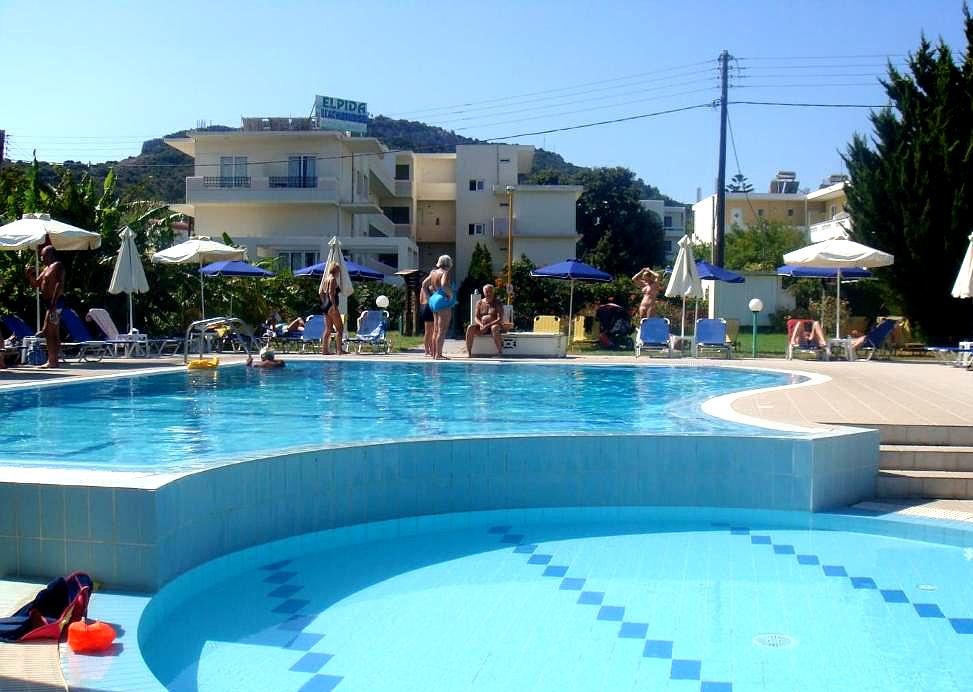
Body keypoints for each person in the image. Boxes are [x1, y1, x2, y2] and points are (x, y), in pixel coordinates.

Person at [25, 245, 65, 369]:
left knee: (49, 331)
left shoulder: (57, 266)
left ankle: (52, 361)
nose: (42, 258)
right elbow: (36, 284)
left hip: (56, 302)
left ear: (50, 255)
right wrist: (29, 275)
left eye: (43, 256)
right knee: (52, 332)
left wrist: (53, 303)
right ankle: (54, 360)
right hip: (49, 303)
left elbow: (59, 284)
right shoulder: (47, 268)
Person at [428, 255, 455, 360]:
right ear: (449, 263)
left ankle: (435, 354)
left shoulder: (433, 272)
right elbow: (444, 285)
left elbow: (424, 284)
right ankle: (438, 355)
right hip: (442, 300)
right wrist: (451, 295)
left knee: (436, 330)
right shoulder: (445, 273)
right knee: (442, 330)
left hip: (434, 299)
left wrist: (429, 296)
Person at [466, 283, 504, 356]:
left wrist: (488, 325)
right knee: (470, 327)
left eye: (490, 291)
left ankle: (500, 352)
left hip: (494, 326)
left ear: (493, 292)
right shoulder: (480, 303)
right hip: (483, 326)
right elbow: (476, 317)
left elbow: (500, 318)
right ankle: (469, 352)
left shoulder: (497, 303)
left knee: (494, 327)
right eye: (487, 292)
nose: (489, 293)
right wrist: (481, 325)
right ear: (484, 292)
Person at [318, 263, 348, 355]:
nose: (339, 272)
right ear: (336, 270)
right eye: (339, 270)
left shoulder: (326, 279)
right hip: (331, 306)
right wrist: (334, 306)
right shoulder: (333, 279)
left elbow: (321, 293)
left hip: (326, 306)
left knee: (328, 329)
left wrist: (325, 303)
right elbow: (331, 293)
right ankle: (339, 350)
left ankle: (325, 350)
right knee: (339, 328)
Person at [419, 272, 435, 357]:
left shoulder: (423, 287)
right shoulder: (431, 286)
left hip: (423, 307)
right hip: (429, 307)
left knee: (427, 331)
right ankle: (431, 350)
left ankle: (426, 351)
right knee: (432, 331)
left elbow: (420, 299)